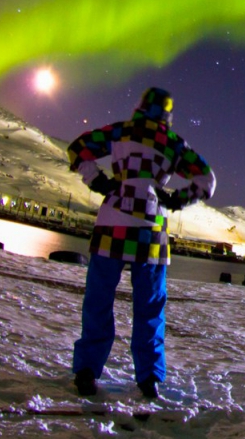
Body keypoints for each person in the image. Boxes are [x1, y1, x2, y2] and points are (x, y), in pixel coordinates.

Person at [66, 87, 215, 398]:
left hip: (111, 225)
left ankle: (86, 371)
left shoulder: (120, 132)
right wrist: (175, 200)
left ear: (140, 107)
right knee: (149, 308)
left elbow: (78, 148)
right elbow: (206, 180)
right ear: (167, 115)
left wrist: (99, 181)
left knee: (98, 301)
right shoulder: (173, 144)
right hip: (151, 233)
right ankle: (148, 377)